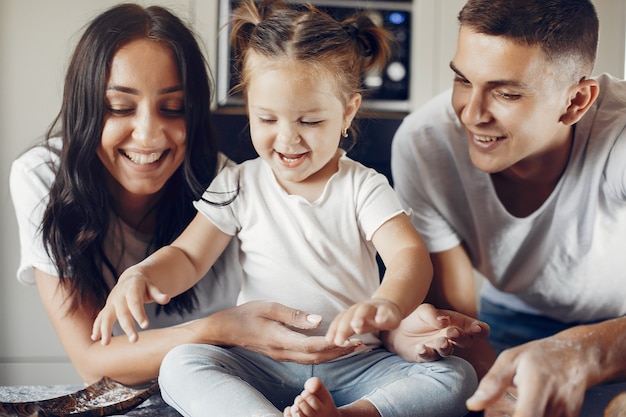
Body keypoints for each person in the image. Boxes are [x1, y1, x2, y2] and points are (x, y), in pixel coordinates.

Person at [92, 1, 479, 416]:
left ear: (347, 111)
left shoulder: (362, 186)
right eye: (267, 119)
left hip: (353, 361)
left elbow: (408, 256)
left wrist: (387, 303)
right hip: (260, 362)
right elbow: (187, 256)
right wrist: (142, 274)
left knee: (457, 377)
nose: (287, 140)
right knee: (179, 364)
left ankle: (348, 414)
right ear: (250, 109)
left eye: (309, 121)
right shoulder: (239, 183)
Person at [9, 3, 384, 387]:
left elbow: (334, 278)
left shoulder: (227, 181)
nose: (149, 135)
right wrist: (221, 329)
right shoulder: (43, 177)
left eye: (172, 109)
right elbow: (93, 364)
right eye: (119, 108)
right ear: (84, 107)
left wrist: (392, 325)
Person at [389, 0, 626, 416]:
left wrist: (588, 353)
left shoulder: (620, 137)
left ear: (575, 102)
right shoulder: (424, 143)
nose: (472, 114)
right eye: (463, 80)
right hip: (505, 318)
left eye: (506, 93)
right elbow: (460, 313)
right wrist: (488, 386)